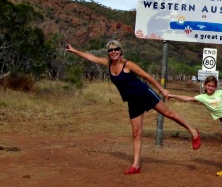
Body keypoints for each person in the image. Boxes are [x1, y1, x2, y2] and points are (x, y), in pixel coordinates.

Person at [65, 41, 201, 175]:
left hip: (144, 93)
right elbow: (92, 57)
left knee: (169, 114)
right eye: (110, 50)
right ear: (108, 53)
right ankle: (136, 165)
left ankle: (193, 131)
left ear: (121, 50)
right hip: (132, 101)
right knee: (136, 132)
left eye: (116, 49)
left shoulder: (127, 64)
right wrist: (75, 51)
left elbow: (146, 76)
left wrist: (162, 90)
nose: (113, 52)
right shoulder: (108, 64)